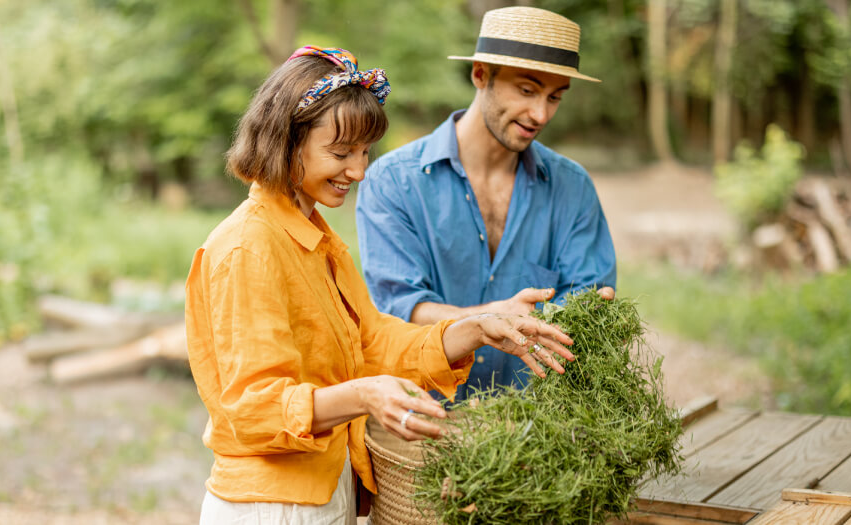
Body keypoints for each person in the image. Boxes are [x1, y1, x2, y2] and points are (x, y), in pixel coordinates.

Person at [185, 46, 577, 524]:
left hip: (331, 489)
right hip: (272, 507)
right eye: (341, 153)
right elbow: (253, 408)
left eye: (365, 152)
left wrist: (477, 327)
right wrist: (363, 396)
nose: (359, 171)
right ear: (286, 140)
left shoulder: (319, 241)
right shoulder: (248, 246)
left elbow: (374, 342)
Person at [356, 7, 617, 401]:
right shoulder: (393, 181)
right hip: (424, 423)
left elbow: (587, 302)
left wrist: (592, 312)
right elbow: (400, 309)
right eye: (527, 90)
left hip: (540, 433)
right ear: (480, 74)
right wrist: (490, 319)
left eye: (555, 96)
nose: (540, 114)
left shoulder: (573, 188)